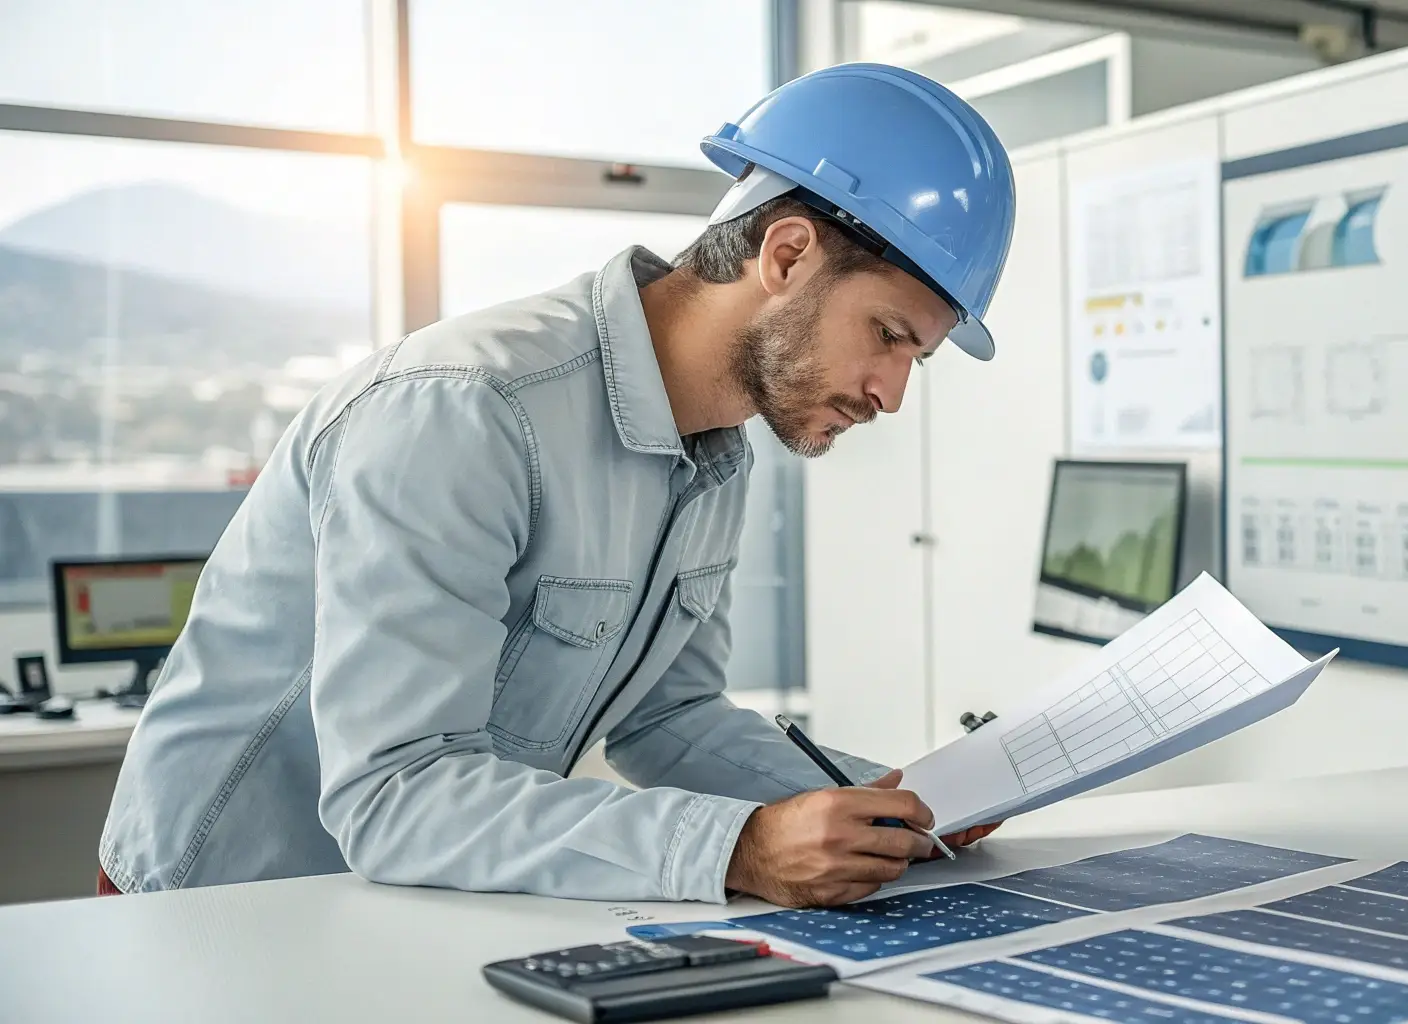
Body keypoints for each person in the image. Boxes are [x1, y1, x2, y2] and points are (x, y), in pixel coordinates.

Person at [97, 64, 1014, 909]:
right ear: (786, 255)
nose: (892, 394)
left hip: (406, 899)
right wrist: (738, 849)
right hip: (219, 904)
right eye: (889, 335)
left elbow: (668, 718)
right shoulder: (465, 411)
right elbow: (395, 792)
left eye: (917, 359)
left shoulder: (714, 455)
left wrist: (889, 805)